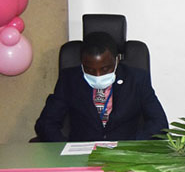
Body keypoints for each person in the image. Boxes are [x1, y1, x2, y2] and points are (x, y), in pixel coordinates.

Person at [35, 32, 169, 141]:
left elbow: (159, 123)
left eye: (105, 69)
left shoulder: (137, 79)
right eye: (89, 70)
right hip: (81, 154)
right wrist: (64, 148)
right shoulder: (69, 79)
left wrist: (133, 146)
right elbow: (46, 123)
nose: (98, 75)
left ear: (116, 60)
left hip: (125, 153)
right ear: (82, 63)